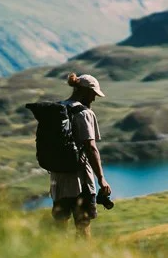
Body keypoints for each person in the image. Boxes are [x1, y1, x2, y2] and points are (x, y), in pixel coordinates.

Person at [50, 72, 113, 239]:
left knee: (59, 228)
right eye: (93, 94)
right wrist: (101, 179)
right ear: (84, 91)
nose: (93, 99)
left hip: (57, 180)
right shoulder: (84, 113)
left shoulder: (58, 109)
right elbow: (91, 148)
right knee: (83, 227)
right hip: (80, 180)